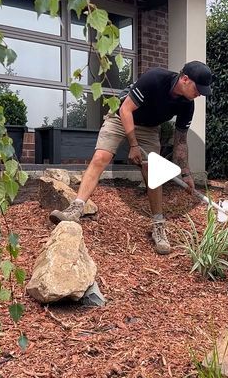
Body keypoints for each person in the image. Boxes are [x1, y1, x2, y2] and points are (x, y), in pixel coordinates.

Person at [49, 60, 213, 255]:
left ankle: (158, 226)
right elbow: (126, 109)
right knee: (101, 156)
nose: (200, 94)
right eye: (198, 89)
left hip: (149, 129)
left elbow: (181, 142)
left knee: (153, 172)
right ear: (185, 79)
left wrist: (186, 173)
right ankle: (75, 209)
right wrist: (133, 145)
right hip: (121, 117)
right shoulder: (155, 78)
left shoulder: (187, 105)